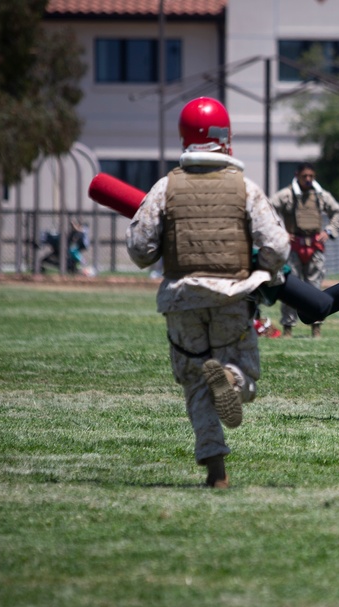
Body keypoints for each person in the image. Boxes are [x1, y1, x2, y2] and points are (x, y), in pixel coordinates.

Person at [126, 97, 289, 488]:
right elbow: (278, 246)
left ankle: (216, 472)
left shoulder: (165, 187)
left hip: (182, 299)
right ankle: (231, 380)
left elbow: (140, 251)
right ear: (225, 138)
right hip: (231, 295)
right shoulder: (245, 189)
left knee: (196, 383)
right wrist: (260, 266)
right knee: (244, 372)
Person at [269, 162, 339, 338]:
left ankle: (316, 328)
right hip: (293, 246)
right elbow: (267, 209)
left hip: (315, 246)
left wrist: (329, 231)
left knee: (315, 289)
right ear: (297, 175)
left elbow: (336, 212)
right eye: (305, 176)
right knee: (289, 288)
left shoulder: (320, 196)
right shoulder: (287, 195)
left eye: (311, 176)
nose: (308, 179)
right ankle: (288, 328)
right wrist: (280, 232)